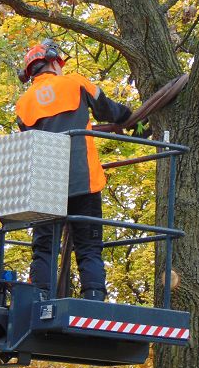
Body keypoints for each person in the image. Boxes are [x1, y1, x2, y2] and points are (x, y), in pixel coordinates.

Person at [15, 39, 132, 301]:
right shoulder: (75, 82)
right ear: (54, 61)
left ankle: (40, 297)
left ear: (30, 72)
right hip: (83, 180)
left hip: (45, 184)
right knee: (89, 246)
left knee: (44, 247)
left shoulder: (23, 104)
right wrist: (135, 121)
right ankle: (93, 297)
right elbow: (110, 111)